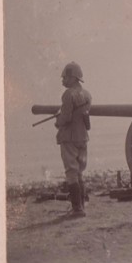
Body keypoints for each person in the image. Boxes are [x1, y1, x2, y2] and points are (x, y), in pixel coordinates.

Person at [55, 61, 92, 218]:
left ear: (72, 77)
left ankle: (77, 209)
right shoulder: (88, 95)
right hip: (82, 137)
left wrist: (58, 121)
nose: (63, 80)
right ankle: (81, 206)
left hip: (69, 138)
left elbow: (66, 118)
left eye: (65, 77)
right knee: (79, 173)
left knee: (71, 172)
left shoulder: (68, 95)